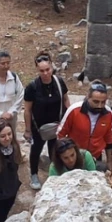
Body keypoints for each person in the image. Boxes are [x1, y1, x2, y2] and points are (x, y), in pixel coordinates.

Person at [23, 53, 71, 191]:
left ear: (51, 67)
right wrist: (27, 129)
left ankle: (53, 174)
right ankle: (33, 174)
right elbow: (27, 110)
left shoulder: (59, 82)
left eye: (47, 69)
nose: (45, 73)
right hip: (38, 126)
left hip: (56, 124)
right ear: (37, 70)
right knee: (36, 150)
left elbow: (66, 99)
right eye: (42, 71)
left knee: (54, 149)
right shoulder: (32, 87)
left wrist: (68, 116)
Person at [58, 83, 112, 170]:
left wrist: (109, 161)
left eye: (103, 102)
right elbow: (60, 134)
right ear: (88, 98)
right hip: (74, 157)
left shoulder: (108, 113)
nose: (100, 106)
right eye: (96, 102)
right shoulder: (74, 110)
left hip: (96, 156)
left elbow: (108, 139)